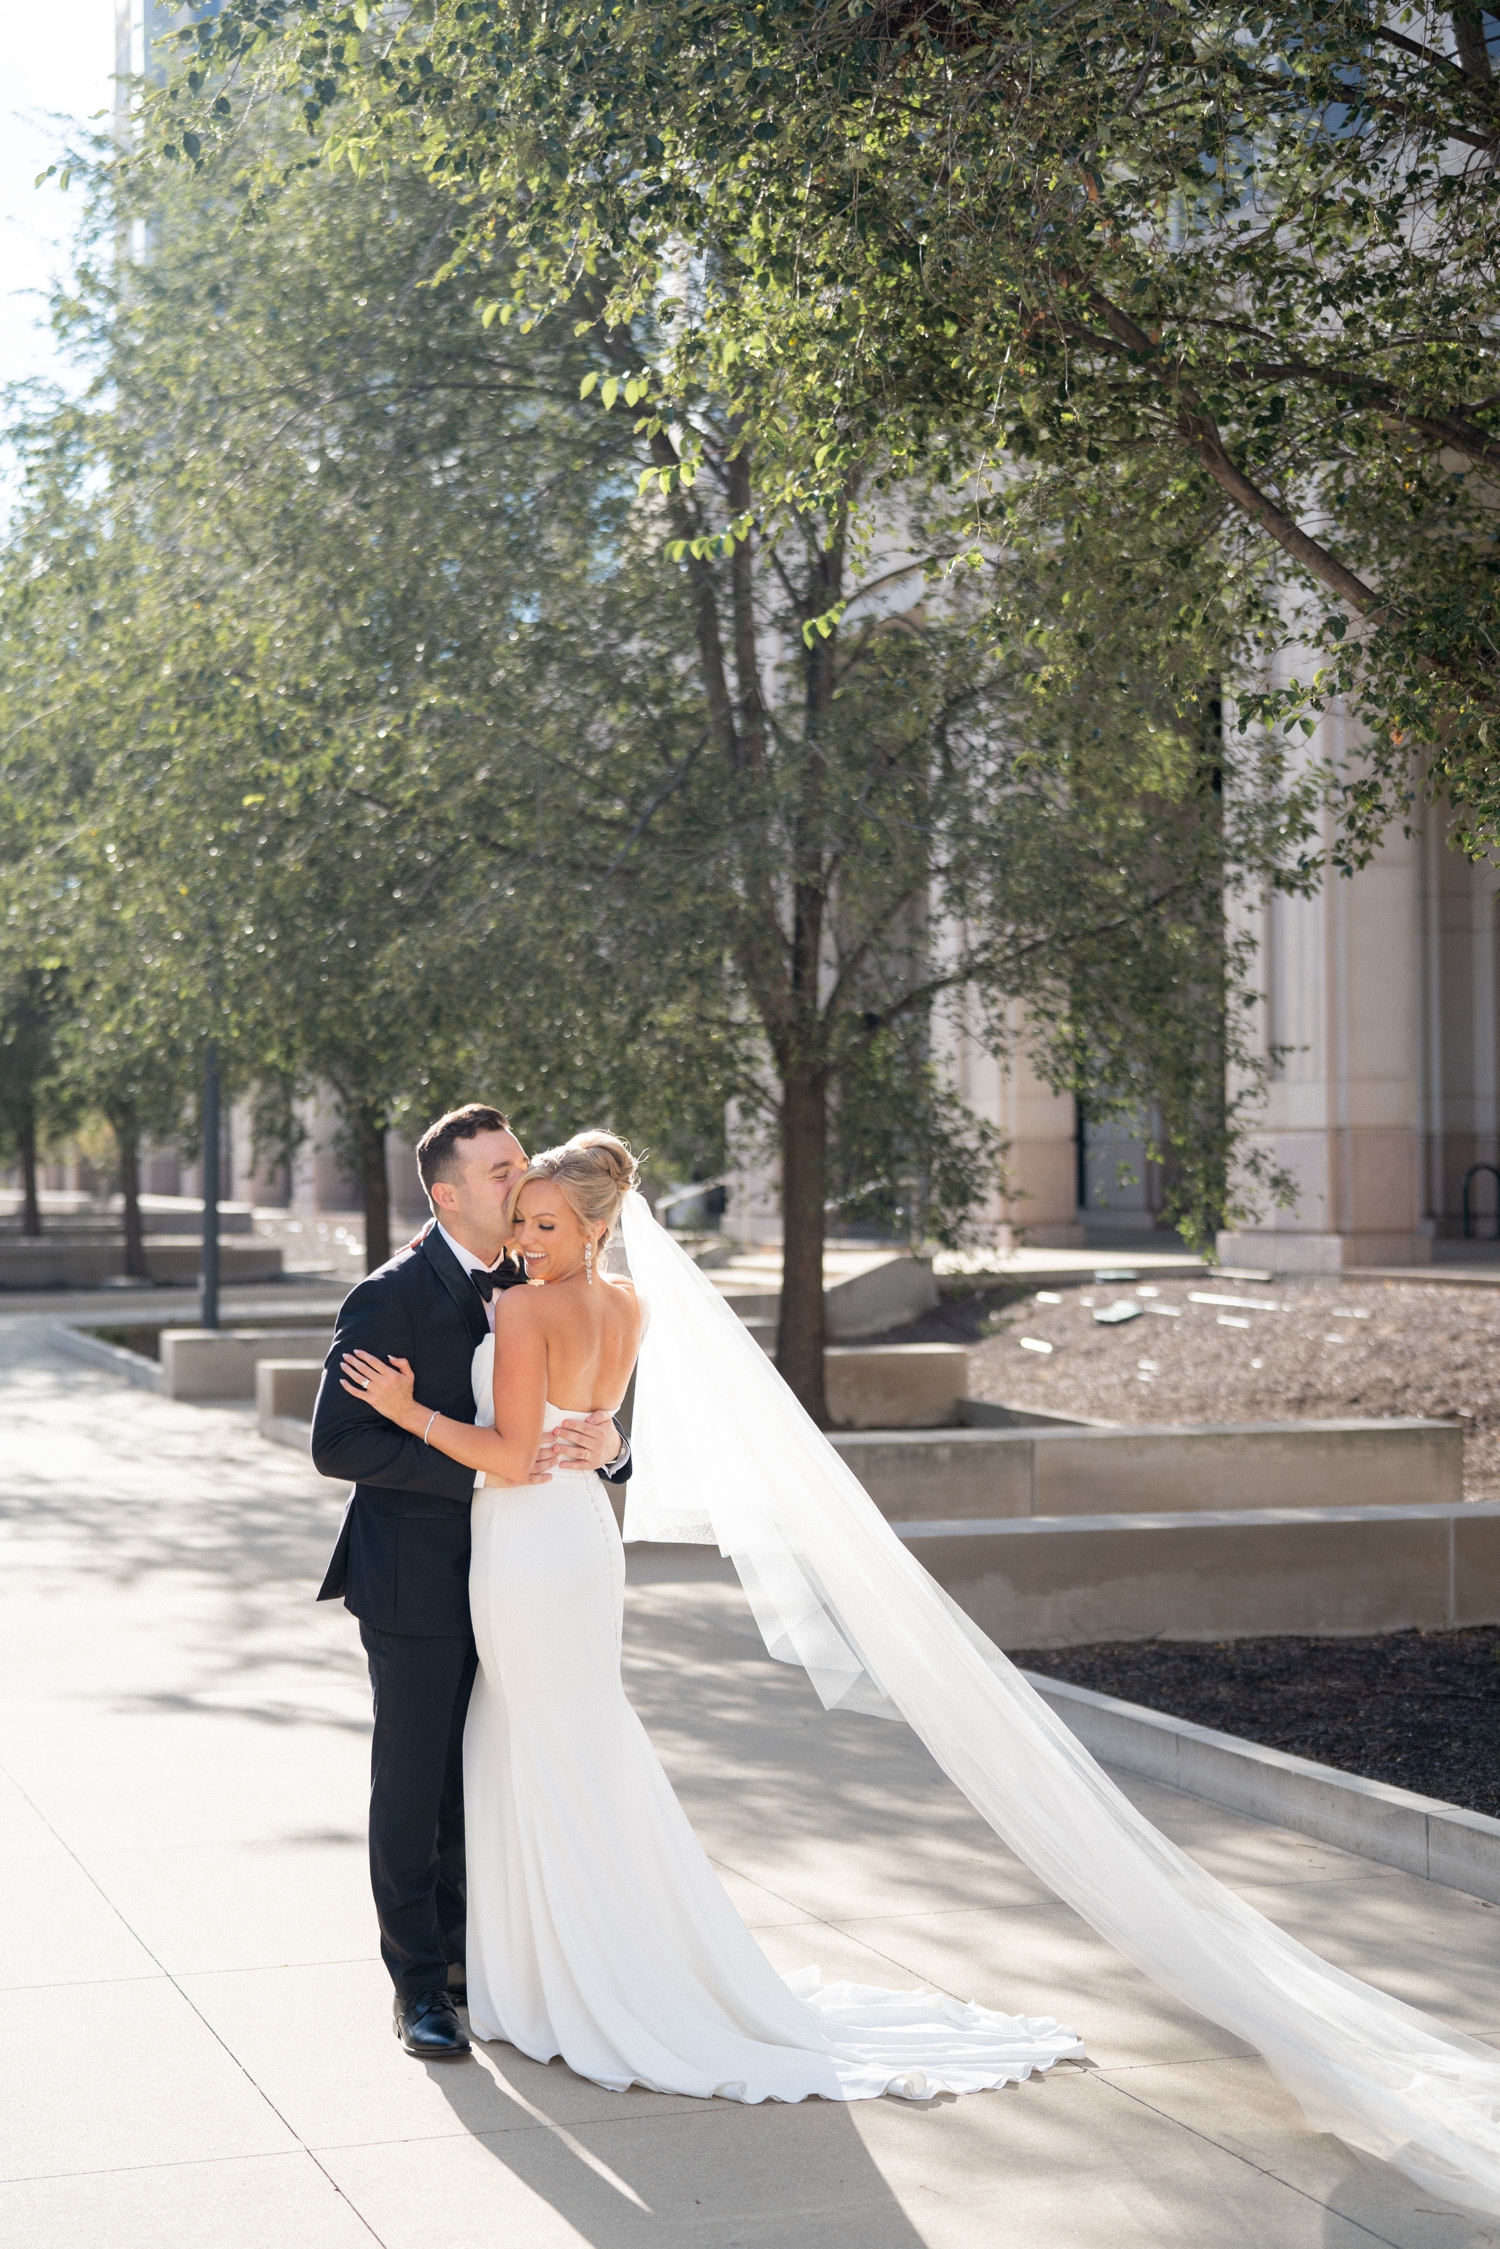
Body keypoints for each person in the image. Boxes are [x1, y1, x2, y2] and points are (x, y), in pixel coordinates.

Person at [342, 1131, 1083, 2099]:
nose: (525, 1231)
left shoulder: (523, 1303)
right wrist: (606, 1440)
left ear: (597, 1223)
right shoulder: (631, 1302)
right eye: (520, 1212)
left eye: (544, 1217)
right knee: (570, 1737)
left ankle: (573, 1972)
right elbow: (591, 1428)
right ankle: (558, 1961)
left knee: (538, 1742)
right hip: (576, 1541)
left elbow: (519, 1454)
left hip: (525, 1544)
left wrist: (409, 1409)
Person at [311, 1104, 632, 2061]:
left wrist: (612, 1446)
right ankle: (422, 1986)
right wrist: (482, 1470)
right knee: (418, 1777)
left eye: (520, 1165)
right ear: (447, 1193)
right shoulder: (388, 1295)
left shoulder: (555, 1277)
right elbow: (338, 1442)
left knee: (499, 1767)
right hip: (417, 1575)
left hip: (531, 1568)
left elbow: (604, 1412)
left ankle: (491, 1958)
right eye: (498, 1172)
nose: (518, 1181)